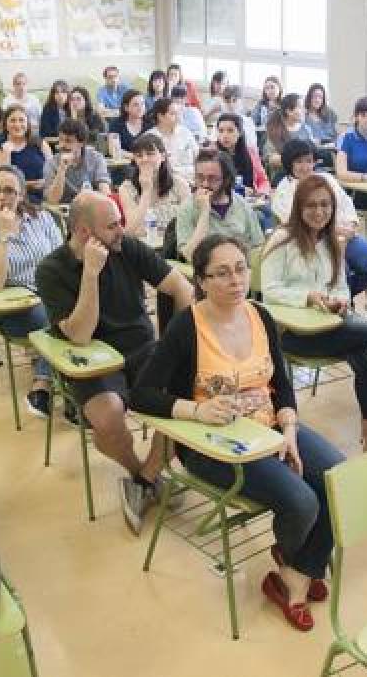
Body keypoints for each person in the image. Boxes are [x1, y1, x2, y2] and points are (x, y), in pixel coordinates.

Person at [131, 234, 344, 631]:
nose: (235, 280)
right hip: (214, 445)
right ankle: (300, 565)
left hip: (271, 426)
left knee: (339, 477)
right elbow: (140, 395)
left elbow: (282, 382)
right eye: (222, 273)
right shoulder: (186, 326)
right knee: (302, 501)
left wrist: (291, 429)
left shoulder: (259, 315)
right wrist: (196, 410)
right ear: (202, 280)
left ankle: (294, 571)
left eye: (241, 269)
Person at [35, 192, 194, 533]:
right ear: (83, 232)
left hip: (142, 349)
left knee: (187, 394)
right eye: (112, 226)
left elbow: (181, 288)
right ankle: (143, 474)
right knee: (107, 416)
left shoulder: (128, 247)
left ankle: (143, 481)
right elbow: (79, 334)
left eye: (120, 222)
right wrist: (91, 274)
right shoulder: (51, 270)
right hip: (91, 359)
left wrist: (178, 344)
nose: (121, 230)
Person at [261, 176, 367, 448]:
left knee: (364, 353)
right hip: (291, 333)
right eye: (311, 205)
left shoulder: (334, 241)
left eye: (325, 205)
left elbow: (341, 287)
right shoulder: (282, 239)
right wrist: (308, 297)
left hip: (331, 328)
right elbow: (269, 291)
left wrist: (337, 301)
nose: (319, 212)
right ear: (298, 207)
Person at [0, 166, 63, 418]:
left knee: (82, 312)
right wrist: (3, 235)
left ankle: (63, 387)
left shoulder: (41, 218)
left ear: (21, 195)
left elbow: (62, 260)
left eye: (9, 190)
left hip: (52, 297)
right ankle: (43, 385)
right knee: (59, 321)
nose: (1, 196)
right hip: (17, 309)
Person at [273, 139, 367, 297]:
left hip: (344, 235)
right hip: (314, 241)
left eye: (309, 161)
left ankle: (342, 298)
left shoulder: (327, 179)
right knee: (340, 271)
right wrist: (335, 230)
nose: (305, 167)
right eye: (299, 162)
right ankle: (334, 301)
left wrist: (350, 225)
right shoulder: (283, 191)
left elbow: (345, 203)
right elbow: (295, 223)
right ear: (289, 163)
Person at [176, 149, 265, 263]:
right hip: (208, 273)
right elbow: (189, 255)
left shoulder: (242, 204)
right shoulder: (187, 208)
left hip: (241, 269)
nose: (205, 184)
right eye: (200, 177)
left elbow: (258, 247)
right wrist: (204, 212)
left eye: (212, 178)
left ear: (226, 179)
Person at [117, 134, 190, 240]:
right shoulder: (126, 188)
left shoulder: (180, 184)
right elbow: (130, 231)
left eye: (150, 154)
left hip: (175, 243)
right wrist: (146, 191)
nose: (144, 159)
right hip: (143, 247)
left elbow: (189, 223)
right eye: (139, 156)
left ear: (163, 156)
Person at [0, 105, 51, 203]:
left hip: (44, 196)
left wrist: (45, 183)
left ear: (27, 123)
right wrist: (6, 154)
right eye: (13, 120)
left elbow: (53, 172)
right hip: (14, 199)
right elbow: (1, 181)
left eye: (21, 120)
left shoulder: (40, 143)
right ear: (5, 124)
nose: (17, 125)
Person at [43, 118, 111, 204]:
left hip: (90, 207)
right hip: (63, 210)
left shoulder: (96, 158)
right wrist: (62, 169)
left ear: (81, 143)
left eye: (68, 141)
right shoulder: (51, 163)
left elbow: (105, 192)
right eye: (60, 140)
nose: (62, 145)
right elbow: (52, 199)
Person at [214, 112, 270, 196]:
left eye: (230, 130)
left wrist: (261, 192)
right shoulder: (213, 155)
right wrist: (239, 190)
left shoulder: (250, 152)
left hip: (252, 200)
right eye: (221, 131)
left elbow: (262, 180)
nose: (225, 135)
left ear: (240, 132)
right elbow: (213, 184)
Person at [145, 98, 199, 182]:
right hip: (166, 183)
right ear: (160, 116)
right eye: (173, 114)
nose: (178, 117)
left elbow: (198, 157)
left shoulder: (185, 132)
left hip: (192, 180)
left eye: (178, 113)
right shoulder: (149, 137)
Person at [263, 93, 315, 164]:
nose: (304, 110)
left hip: (307, 169)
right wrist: (295, 158)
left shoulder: (306, 129)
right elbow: (269, 158)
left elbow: (312, 152)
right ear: (289, 111)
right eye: (300, 107)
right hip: (285, 171)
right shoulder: (275, 130)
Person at [107, 89, 147, 154]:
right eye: (135, 105)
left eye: (142, 104)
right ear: (126, 108)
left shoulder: (150, 123)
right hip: (123, 162)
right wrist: (136, 157)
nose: (140, 108)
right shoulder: (116, 124)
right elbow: (113, 150)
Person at [219, 84, 258, 149]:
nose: (231, 105)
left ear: (241, 102)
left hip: (244, 155)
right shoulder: (220, 121)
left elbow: (251, 147)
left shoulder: (247, 122)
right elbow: (214, 141)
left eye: (234, 101)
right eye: (227, 102)